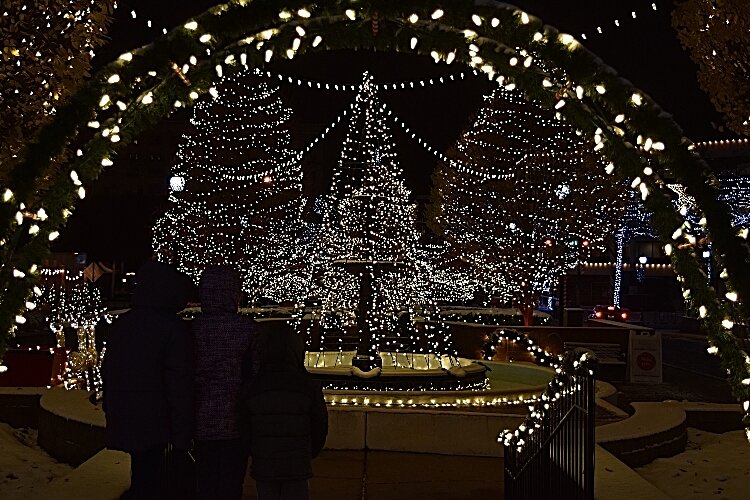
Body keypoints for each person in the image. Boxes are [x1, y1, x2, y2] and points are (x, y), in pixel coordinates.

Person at [102, 261, 195, 500]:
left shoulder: (123, 325)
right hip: (158, 420)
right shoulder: (172, 328)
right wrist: (184, 434)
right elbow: (179, 383)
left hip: (128, 415)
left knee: (142, 475)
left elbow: (110, 373)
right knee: (156, 479)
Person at [192, 266, 258, 500]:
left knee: (205, 483)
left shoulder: (193, 330)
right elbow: (254, 374)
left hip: (200, 421)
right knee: (231, 485)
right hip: (235, 422)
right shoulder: (246, 329)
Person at [241, 329, 328, 500]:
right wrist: (307, 453)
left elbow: (244, 428)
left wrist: (255, 452)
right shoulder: (308, 387)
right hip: (297, 465)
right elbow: (320, 426)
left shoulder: (252, 388)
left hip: (264, 464)